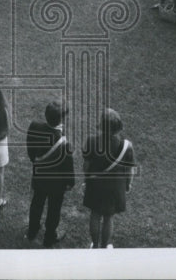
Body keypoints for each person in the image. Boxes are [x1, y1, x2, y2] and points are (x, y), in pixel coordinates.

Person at [82, 108, 135, 249]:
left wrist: (86, 180)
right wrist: (128, 185)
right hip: (115, 187)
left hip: (95, 184)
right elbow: (129, 170)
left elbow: (86, 165)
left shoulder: (91, 141)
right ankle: (105, 247)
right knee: (108, 217)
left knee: (95, 214)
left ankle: (95, 246)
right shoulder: (127, 146)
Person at [26, 101, 75, 248]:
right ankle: (49, 237)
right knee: (54, 209)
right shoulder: (64, 142)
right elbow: (68, 165)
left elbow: (31, 150)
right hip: (56, 183)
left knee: (36, 204)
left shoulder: (34, 126)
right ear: (61, 119)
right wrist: (70, 182)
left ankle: (32, 231)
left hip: (39, 176)